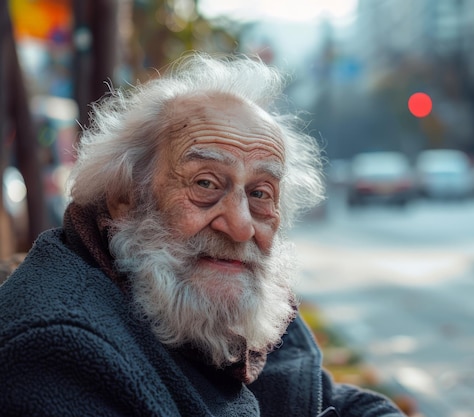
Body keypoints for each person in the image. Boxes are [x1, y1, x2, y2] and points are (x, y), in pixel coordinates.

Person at [0, 53, 404, 417]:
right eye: (207, 184)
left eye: (261, 193)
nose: (241, 225)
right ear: (125, 197)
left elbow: (319, 400)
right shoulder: (63, 350)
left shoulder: (209, 300)